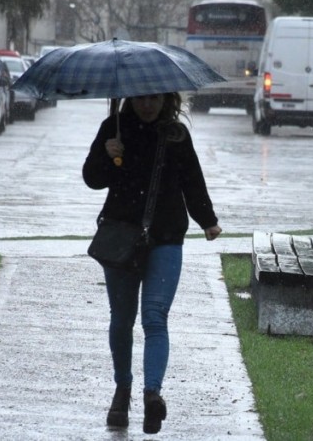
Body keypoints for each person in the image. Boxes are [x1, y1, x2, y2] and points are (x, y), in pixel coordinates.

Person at [82, 92, 222, 434]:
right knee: (122, 320)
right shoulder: (114, 127)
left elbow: (192, 180)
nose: (147, 105)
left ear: (167, 100)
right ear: (130, 98)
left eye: (155, 99)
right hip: (121, 238)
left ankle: (151, 395)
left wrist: (207, 220)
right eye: (142, 98)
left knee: (155, 318)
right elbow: (92, 178)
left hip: (166, 238)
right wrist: (107, 153)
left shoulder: (176, 135)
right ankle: (122, 390)